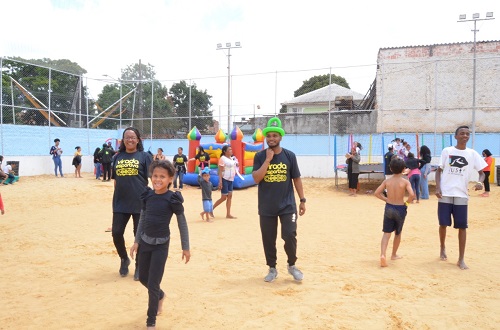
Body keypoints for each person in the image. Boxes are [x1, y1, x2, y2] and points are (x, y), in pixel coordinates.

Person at [129, 160, 190, 329]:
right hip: (145, 242)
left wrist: (186, 247)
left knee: (153, 284)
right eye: (155, 176)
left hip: (161, 246)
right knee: (142, 277)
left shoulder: (173, 199)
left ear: (171, 178)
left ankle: (151, 321)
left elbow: (182, 223)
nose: (157, 179)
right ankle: (161, 296)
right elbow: (142, 219)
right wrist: (136, 242)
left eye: (162, 176)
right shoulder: (147, 196)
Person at [252, 117, 306, 283]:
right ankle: (272, 268)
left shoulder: (290, 156)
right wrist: (268, 160)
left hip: (287, 205)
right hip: (267, 206)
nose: (272, 139)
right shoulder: (260, 156)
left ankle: (292, 265)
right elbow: (256, 178)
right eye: (269, 136)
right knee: (268, 238)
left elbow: (296, 179)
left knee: (289, 234)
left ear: (280, 137)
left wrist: (302, 200)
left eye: (275, 135)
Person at [435, 125, 487, 270]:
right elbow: (439, 170)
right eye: (462, 133)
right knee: (443, 224)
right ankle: (442, 247)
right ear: (456, 136)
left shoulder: (472, 154)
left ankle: (461, 258)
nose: (465, 136)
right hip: (445, 193)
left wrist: (479, 182)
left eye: (467, 134)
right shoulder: (447, 151)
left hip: (461, 195)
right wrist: (438, 187)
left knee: (462, 226)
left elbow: (482, 173)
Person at [111, 127, 153, 280]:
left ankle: (139, 266)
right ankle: (124, 258)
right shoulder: (117, 157)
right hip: (120, 202)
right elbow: (116, 180)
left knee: (139, 236)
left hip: (140, 203)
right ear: (123, 140)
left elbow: (154, 177)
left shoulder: (144, 156)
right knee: (116, 232)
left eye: (133, 137)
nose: (130, 140)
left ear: (138, 140)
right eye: (127, 137)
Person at [374, 157, 415, 267]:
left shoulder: (387, 181)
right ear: (403, 169)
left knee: (386, 233)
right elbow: (412, 195)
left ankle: (383, 254)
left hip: (389, 207)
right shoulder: (405, 182)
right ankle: (394, 254)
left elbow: (377, 193)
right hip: (400, 208)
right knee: (398, 233)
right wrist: (407, 203)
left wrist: (386, 199)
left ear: (391, 169)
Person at [213, 145, 238, 219]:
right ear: (225, 151)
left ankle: (228, 214)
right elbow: (220, 171)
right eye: (229, 149)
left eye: (231, 149)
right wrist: (220, 182)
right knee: (224, 197)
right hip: (224, 179)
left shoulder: (232, 158)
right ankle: (211, 209)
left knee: (230, 196)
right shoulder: (222, 159)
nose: (231, 150)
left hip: (231, 179)